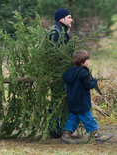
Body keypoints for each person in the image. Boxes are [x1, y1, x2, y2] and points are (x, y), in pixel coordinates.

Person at [61, 50, 112, 144]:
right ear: (81, 61)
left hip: (72, 100)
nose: (89, 62)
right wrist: (95, 81)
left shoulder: (70, 71)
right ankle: (98, 136)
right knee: (88, 118)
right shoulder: (83, 72)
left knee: (73, 118)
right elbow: (87, 85)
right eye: (87, 60)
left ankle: (66, 136)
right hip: (81, 101)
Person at [48, 8, 74, 138]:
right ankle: (54, 130)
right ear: (61, 19)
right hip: (58, 74)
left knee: (63, 100)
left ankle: (63, 129)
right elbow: (53, 54)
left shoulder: (62, 31)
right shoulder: (55, 32)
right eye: (69, 17)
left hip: (64, 73)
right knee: (57, 100)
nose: (71, 20)